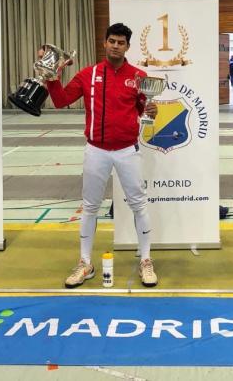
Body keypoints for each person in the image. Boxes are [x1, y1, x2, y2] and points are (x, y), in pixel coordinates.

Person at [45, 23, 158, 288]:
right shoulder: (88, 74)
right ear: (104, 43)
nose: (115, 46)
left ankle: (146, 260)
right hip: (96, 150)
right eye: (111, 41)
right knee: (90, 207)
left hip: (127, 150)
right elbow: (61, 101)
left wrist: (152, 112)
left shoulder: (139, 77)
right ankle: (85, 262)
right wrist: (51, 78)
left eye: (120, 42)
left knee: (138, 204)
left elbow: (146, 111)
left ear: (127, 47)